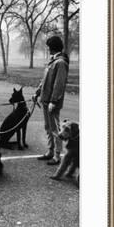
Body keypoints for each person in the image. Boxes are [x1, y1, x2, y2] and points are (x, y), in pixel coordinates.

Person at [34, 35, 69, 166]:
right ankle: (50, 151)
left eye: (49, 46)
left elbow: (58, 85)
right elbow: (44, 81)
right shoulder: (52, 61)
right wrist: (37, 92)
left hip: (52, 103)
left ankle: (57, 155)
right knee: (48, 127)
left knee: (55, 129)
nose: (47, 49)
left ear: (53, 47)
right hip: (45, 100)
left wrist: (53, 101)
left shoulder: (60, 63)